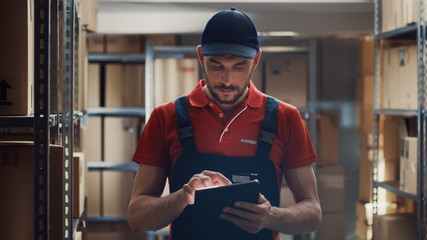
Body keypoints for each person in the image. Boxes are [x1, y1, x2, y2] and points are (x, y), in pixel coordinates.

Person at [127, 8, 321, 240]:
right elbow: (137, 217)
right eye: (216, 66)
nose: (227, 80)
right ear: (201, 56)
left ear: (256, 60)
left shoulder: (285, 118)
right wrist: (181, 197)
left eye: (239, 67)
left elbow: (313, 213)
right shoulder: (166, 117)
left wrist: (271, 217)